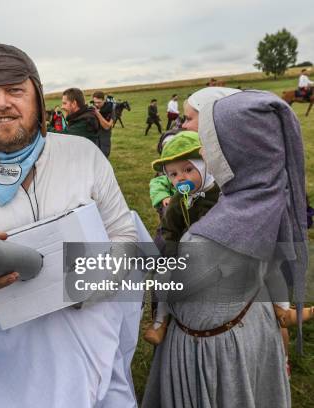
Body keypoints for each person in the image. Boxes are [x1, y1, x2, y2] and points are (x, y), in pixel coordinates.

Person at [0, 43, 140, 408]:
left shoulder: (82, 156)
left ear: (38, 98)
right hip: (3, 354)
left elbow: (125, 235)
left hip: (90, 337)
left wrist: (94, 276)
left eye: (15, 90)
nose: (2, 102)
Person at [142, 90, 308, 408]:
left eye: (210, 142)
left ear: (239, 150)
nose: (202, 149)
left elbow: (172, 285)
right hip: (253, 330)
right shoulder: (268, 194)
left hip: (216, 352)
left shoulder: (212, 237)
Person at [143, 131, 219, 344]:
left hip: (221, 251)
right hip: (187, 254)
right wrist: (172, 256)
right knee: (163, 278)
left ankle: (282, 308)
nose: (181, 178)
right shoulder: (178, 202)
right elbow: (169, 231)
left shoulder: (222, 192)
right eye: (173, 175)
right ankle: (160, 321)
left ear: (204, 166)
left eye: (188, 169)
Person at [91, 91, 115, 157]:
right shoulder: (91, 108)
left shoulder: (111, 109)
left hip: (104, 141)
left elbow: (107, 126)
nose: (97, 104)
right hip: (93, 139)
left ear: (104, 100)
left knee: (104, 159)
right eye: (95, 102)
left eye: (99, 102)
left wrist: (97, 113)